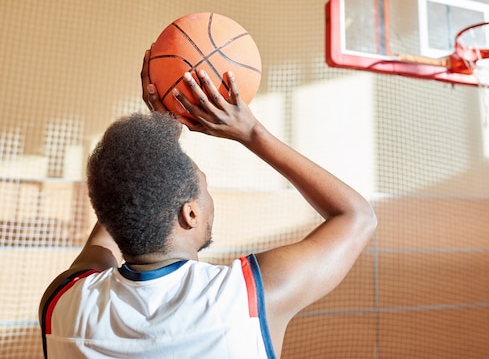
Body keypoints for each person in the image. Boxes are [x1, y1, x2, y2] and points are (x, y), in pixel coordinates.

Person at [39, 49, 377, 358]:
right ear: (190, 213)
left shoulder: (63, 302)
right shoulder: (245, 298)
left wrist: (158, 143)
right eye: (205, 187)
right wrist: (250, 131)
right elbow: (357, 216)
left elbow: (119, 204)